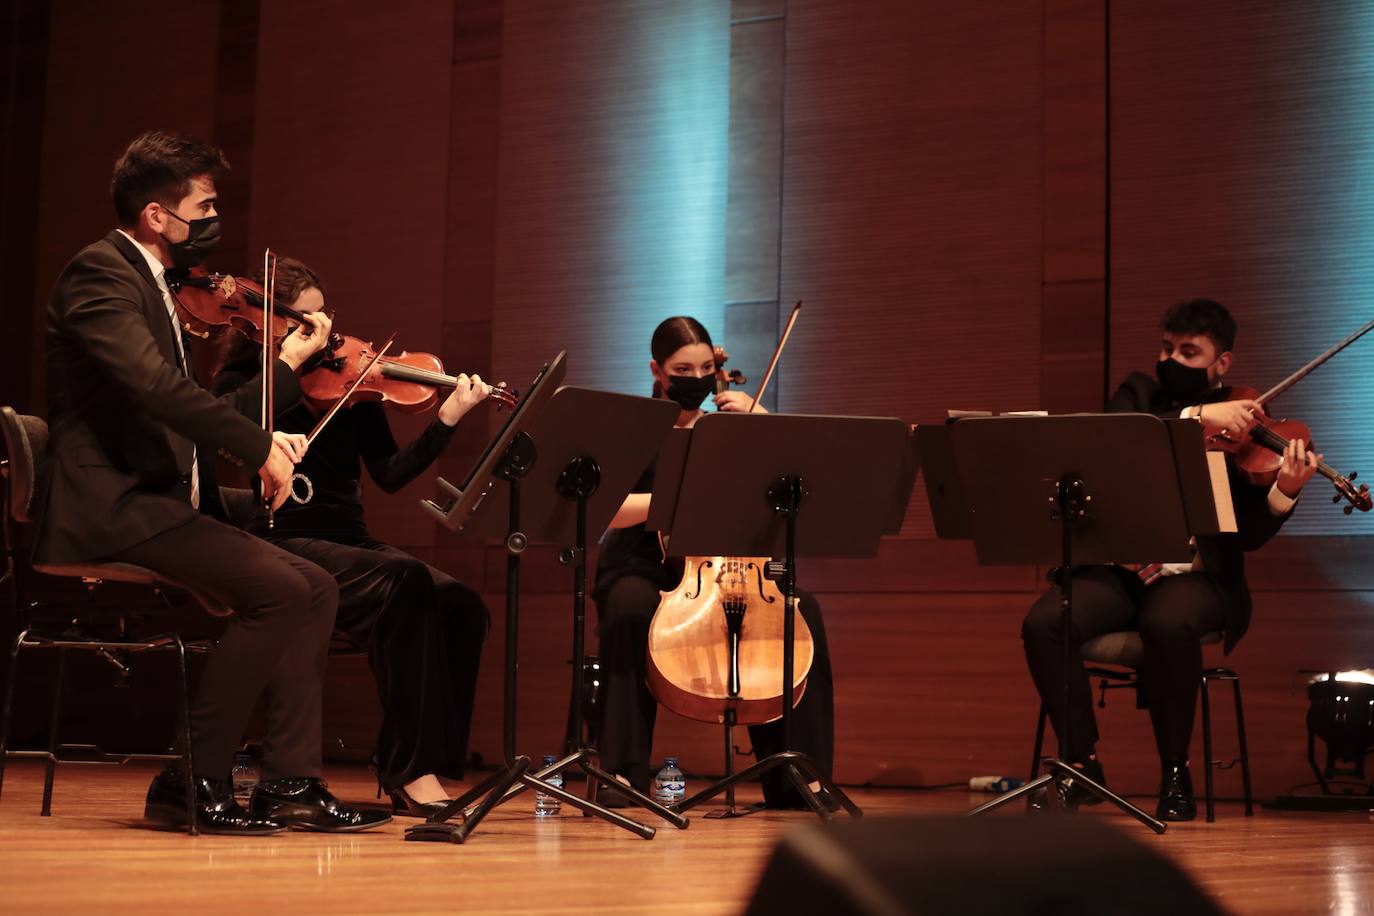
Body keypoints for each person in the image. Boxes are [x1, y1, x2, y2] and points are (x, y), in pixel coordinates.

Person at [33, 130, 388, 834]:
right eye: (203, 204)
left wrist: (271, 421)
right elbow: (158, 391)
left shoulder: (157, 285)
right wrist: (257, 446)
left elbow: (192, 412)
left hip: (158, 492)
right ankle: (189, 777)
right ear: (156, 216)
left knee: (314, 587)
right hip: (116, 504)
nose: (213, 218)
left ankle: (291, 782)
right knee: (283, 590)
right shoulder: (99, 275)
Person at [1021, 298, 1320, 821]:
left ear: (1221, 362)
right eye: (1167, 348)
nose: (1171, 360)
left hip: (1197, 579)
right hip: (1121, 572)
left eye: (1188, 352)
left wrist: (1284, 493)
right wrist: (1198, 415)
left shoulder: (1247, 421)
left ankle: (1176, 773)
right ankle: (1082, 763)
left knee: (1168, 621)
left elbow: (1246, 536)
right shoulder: (1138, 395)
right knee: (1045, 621)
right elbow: (1120, 433)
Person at [212, 257, 491, 817]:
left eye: (326, 316)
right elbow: (223, 439)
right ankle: (408, 769)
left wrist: (449, 420)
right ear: (274, 324)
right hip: (282, 541)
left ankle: (430, 759)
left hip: (350, 542)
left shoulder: (354, 383)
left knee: (462, 604)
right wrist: (284, 374)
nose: (327, 333)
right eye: (308, 319)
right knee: (405, 581)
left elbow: (389, 474)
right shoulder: (248, 385)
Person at [591, 316, 836, 808]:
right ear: (657, 371)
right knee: (630, 607)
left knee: (799, 610)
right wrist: (675, 496)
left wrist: (759, 418)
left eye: (707, 367)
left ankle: (798, 777)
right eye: (684, 368)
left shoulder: (727, 427)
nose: (698, 378)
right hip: (642, 561)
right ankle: (623, 774)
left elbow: (790, 480)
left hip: (721, 567)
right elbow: (612, 509)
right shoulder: (638, 427)